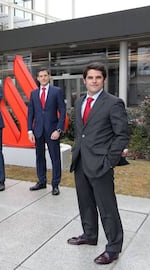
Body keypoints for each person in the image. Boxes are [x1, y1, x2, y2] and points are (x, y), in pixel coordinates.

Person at [67, 62, 129, 265]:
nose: (94, 81)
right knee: (85, 203)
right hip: (81, 161)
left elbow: (122, 135)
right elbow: (82, 132)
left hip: (101, 163)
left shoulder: (113, 103)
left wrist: (110, 160)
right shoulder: (79, 101)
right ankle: (89, 235)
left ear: (103, 80)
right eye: (90, 78)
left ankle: (113, 248)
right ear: (84, 80)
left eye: (98, 77)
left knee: (107, 207)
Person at [27, 68, 66, 196]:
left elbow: (62, 111)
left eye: (45, 75)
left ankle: (55, 185)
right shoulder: (33, 93)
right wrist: (29, 131)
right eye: (40, 76)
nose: (43, 78)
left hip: (52, 131)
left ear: (49, 77)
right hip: (38, 131)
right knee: (39, 157)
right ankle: (41, 181)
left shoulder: (57, 91)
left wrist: (58, 130)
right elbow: (30, 113)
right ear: (37, 78)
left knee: (55, 158)